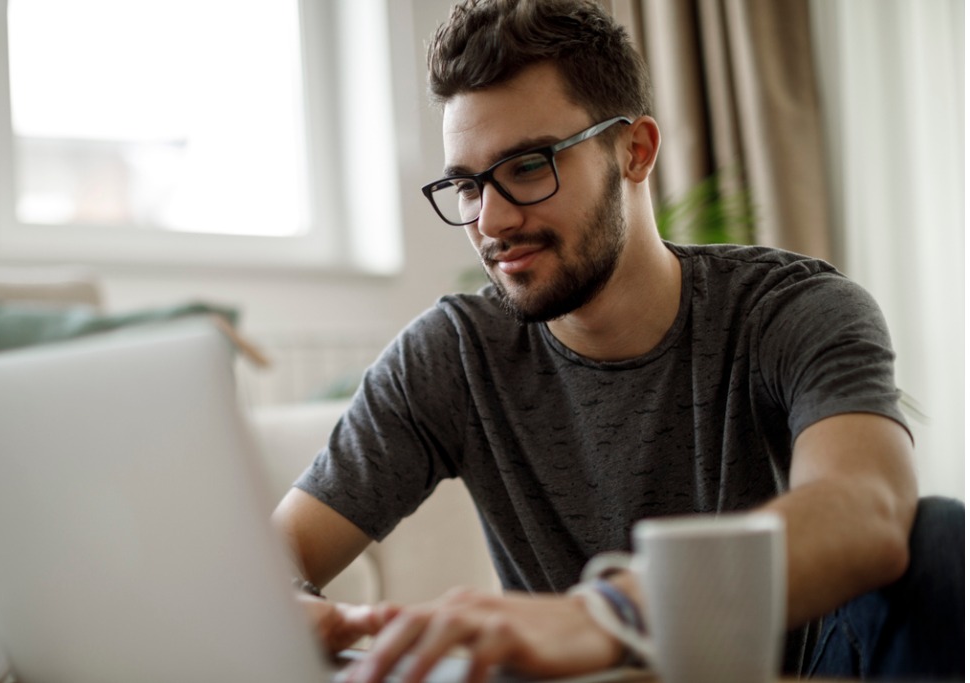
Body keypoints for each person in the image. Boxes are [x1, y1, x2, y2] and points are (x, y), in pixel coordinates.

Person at [272, 1, 962, 681]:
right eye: (466, 185)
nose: (493, 220)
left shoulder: (790, 310)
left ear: (635, 150)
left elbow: (868, 506)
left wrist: (607, 612)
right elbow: (275, 554)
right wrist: (289, 609)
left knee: (939, 540)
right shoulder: (452, 354)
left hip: (791, 670)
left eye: (529, 166)